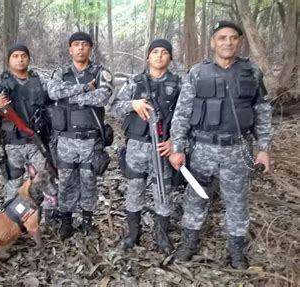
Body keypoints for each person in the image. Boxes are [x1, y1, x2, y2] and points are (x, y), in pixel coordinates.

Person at [168, 21, 273, 269]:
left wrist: (264, 149)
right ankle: (189, 244)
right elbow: (181, 114)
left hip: (237, 150)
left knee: (237, 202)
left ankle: (237, 251)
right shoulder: (196, 73)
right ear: (213, 42)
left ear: (239, 41)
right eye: (222, 38)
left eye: (233, 38)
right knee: (195, 198)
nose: (228, 42)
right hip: (202, 149)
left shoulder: (252, 72)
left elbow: (262, 111)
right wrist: (177, 148)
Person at [112, 39, 181, 253]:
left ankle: (161, 235)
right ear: (148, 56)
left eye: (164, 52)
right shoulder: (134, 82)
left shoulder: (179, 84)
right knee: (134, 190)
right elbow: (115, 107)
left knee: (164, 191)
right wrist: (134, 104)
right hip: (137, 145)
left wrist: (175, 143)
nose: (159, 56)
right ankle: (133, 233)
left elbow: (187, 117)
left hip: (163, 147)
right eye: (155, 52)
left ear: (170, 57)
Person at [47, 32, 113, 240]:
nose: (80, 48)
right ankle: (66, 222)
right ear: (70, 49)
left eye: (85, 45)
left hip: (90, 140)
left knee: (88, 180)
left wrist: (73, 97)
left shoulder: (100, 72)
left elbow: (103, 96)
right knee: (66, 181)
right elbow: (54, 93)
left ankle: (87, 222)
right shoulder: (61, 72)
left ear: (90, 48)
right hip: (66, 138)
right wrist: (84, 89)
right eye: (76, 45)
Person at [0, 43, 59, 229]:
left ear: (29, 59)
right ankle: (13, 223)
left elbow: (53, 103)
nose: (20, 59)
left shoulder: (40, 81)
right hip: (13, 143)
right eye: (15, 56)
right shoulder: (0, 84)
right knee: (13, 184)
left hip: (37, 142)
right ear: (9, 60)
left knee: (45, 181)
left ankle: (45, 221)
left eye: (23, 55)